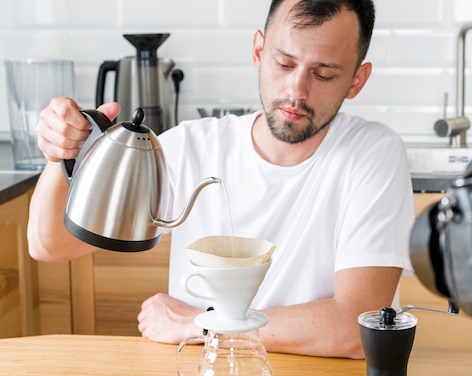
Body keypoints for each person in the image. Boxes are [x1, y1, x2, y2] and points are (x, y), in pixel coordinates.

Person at [28, 0, 414, 359]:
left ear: (356, 81)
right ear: (258, 52)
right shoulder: (189, 147)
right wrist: (59, 155)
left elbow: (356, 327)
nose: (297, 90)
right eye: (283, 63)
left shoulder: (373, 153)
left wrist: (202, 323)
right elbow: (51, 246)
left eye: (323, 73)